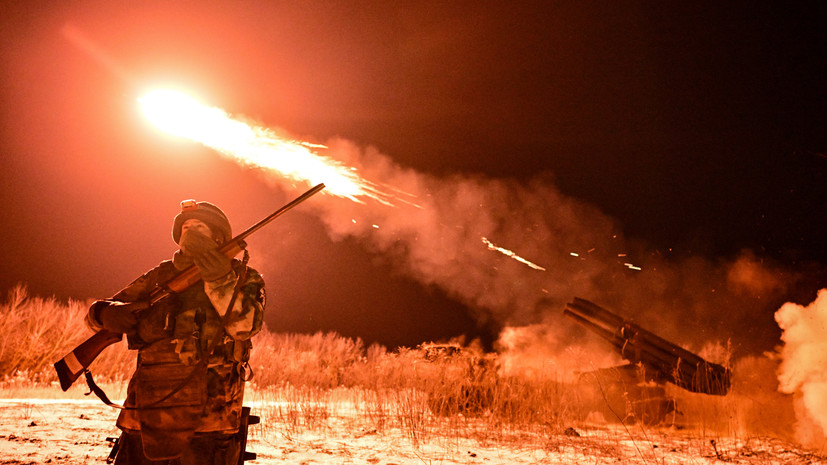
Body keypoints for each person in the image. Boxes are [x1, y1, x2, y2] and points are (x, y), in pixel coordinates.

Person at [85, 200, 266, 464]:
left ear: (218, 236)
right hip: (145, 412)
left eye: (199, 226)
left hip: (210, 419)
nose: (190, 231)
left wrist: (219, 279)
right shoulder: (159, 276)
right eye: (186, 227)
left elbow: (244, 326)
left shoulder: (244, 277)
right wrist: (103, 312)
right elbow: (95, 320)